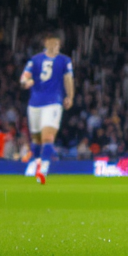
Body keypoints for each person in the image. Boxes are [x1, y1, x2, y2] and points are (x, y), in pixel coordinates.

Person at [20, 34, 74, 184]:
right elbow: (24, 78)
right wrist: (26, 82)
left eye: (58, 44)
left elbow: (68, 79)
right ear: (46, 43)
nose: (55, 46)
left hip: (53, 102)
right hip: (35, 103)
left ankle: (44, 165)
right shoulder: (35, 59)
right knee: (36, 140)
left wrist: (70, 96)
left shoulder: (64, 60)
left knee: (48, 136)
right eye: (53, 43)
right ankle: (36, 163)